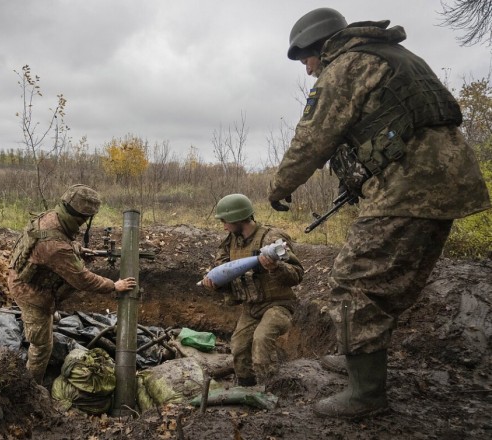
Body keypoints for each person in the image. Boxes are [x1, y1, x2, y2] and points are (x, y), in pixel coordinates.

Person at [270, 8, 491, 419]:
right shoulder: (396, 57)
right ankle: (360, 362)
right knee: (387, 284)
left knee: (354, 283)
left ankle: (366, 393)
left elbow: (311, 139)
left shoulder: (345, 66)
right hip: (448, 184)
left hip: (409, 188)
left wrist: (279, 187)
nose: (308, 70)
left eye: (307, 60)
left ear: (321, 46)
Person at [7, 184, 137, 384]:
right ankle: (30, 390)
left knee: (49, 318)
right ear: (79, 217)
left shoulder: (52, 217)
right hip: (30, 293)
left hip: (30, 280)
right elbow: (82, 279)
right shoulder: (56, 248)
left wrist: (77, 249)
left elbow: (60, 244)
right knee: (42, 347)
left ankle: (45, 319)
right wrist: (114, 285)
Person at [201, 194, 304, 387]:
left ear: (238, 218)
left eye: (225, 221)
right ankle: (246, 388)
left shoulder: (272, 239)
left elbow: (297, 275)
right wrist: (214, 284)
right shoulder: (229, 243)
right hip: (251, 307)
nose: (223, 226)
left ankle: (271, 387)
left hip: (278, 305)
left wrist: (275, 267)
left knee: (262, 340)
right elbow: (224, 274)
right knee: (239, 347)